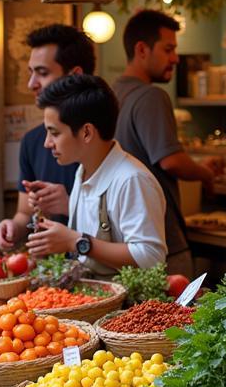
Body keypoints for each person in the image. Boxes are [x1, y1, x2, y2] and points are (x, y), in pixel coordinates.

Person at [26, 74, 166, 277]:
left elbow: (151, 257)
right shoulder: (82, 172)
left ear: (86, 133)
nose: (47, 143)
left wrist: (76, 241)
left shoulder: (131, 179)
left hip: (128, 306)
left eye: (54, 133)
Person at [114, 10, 220, 278]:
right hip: (163, 240)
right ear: (141, 49)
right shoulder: (151, 96)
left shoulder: (111, 93)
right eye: (168, 49)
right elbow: (171, 161)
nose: (175, 58)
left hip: (123, 240)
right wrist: (205, 173)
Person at [0, 24, 94, 251]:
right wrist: (13, 227)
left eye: (42, 73)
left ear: (75, 76)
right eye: (31, 72)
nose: (31, 84)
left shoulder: (102, 139)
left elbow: (128, 237)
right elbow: (24, 213)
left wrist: (70, 205)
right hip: (51, 275)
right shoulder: (31, 141)